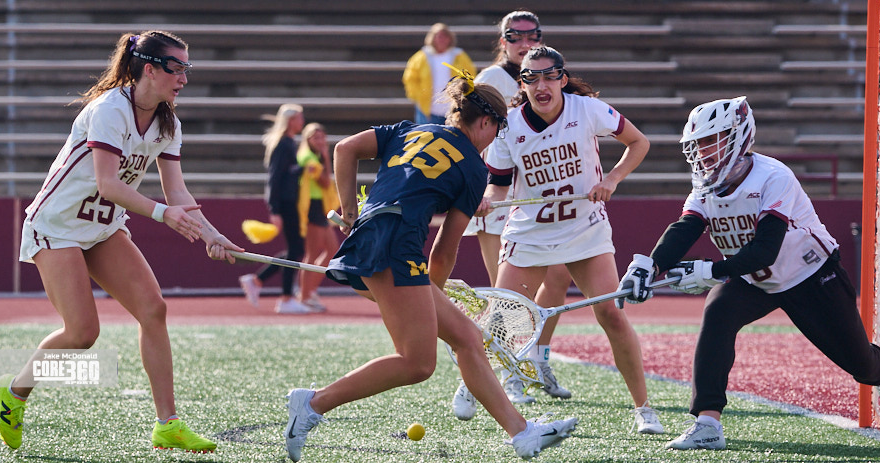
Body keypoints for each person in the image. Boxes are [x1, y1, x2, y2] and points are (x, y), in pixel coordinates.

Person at [282, 69, 577, 462]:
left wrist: (350, 210)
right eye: (499, 128)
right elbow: (443, 252)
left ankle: (521, 433)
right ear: (485, 122)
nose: (496, 138)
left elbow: (345, 149)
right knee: (417, 363)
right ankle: (312, 404)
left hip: (372, 240)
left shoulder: (411, 129)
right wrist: (430, 293)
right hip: (395, 248)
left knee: (467, 337)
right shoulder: (474, 168)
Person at [0, 30, 242, 453]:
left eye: (187, 68)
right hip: (57, 227)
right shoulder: (110, 109)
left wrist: (212, 234)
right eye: (176, 68)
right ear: (150, 69)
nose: (184, 78)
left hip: (102, 229)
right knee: (82, 333)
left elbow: (177, 192)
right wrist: (163, 215)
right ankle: (16, 391)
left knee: (153, 309)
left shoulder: (168, 123)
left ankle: (167, 424)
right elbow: (108, 184)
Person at [615, 96, 880, 450]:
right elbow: (684, 229)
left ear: (738, 136)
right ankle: (707, 423)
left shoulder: (773, 177)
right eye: (697, 143)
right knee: (718, 312)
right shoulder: (705, 186)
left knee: (862, 366)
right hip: (752, 279)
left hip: (809, 275)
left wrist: (712, 270)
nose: (702, 151)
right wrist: (648, 267)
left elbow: (765, 250)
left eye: (710, 140)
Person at [481, 46, 664, 434]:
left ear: (562, 79)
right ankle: (499, 399)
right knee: (501, 320)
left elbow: (639, 143)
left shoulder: (587, 109)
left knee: (610, 313)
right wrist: (485, 201)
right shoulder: (509, 126)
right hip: (530, 233)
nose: (541, 85)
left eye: (549, 76)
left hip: (584, 228)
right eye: (531, 78)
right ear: (522, 83)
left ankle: (644, 408)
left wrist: (612, 179)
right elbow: (498, 187)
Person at [456, 10, 575, 411]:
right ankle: (502, 374)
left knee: (558, 279)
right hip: (500, 196)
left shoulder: (547, 74)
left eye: (532, 35)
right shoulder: (493, 78)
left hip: (536, 197)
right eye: (515, 35)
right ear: (502, 40)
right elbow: (472, 131)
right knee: (506, 297)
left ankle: (536, 358)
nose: (524, 42)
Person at [238, 103, 310, 314]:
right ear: (291, 120)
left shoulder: (288, 142)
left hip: (290, 201)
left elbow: (287, 173)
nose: (302, 121)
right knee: (296, 250)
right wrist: (275, 210)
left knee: (295, 250)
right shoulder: (283, 144)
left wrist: (302, 169)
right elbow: (275, 178)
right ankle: (281, 295)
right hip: (285, 202)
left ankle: (262, 282)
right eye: (299, 117)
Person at [295, 122, 340, 311]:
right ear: (307, 139)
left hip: (319, 206)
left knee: (332, 250)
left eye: (322, 137)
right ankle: (304, 296)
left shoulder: (314, 156)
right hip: (312, 206)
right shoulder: (307, 156)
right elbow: (325, 181)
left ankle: (308, 290)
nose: (320, 141)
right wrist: (326, 157)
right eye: (315, 137)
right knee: (312, 254)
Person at [402, 22, 476, 124]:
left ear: (450, 38)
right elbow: (410, 78)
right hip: (428, 109)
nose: (442, 40)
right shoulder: (421, 57)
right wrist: (418, 96)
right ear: (433, 38)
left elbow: (470, 75)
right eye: (439, 37)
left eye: (445, 37)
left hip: (455, 108)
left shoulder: (459, 56)